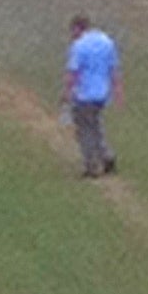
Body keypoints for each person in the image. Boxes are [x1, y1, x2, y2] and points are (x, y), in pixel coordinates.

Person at [62, 14, 122, 178]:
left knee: (84, 131)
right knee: (96, 126)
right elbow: (114, 69)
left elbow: (73, 73)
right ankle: (107, 156)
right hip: (102, 94)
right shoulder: (106, 41)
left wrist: (66, 94)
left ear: (77, 29)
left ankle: (92, 165)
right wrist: (117, 92)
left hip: (84, 95)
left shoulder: (78, 46)